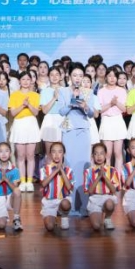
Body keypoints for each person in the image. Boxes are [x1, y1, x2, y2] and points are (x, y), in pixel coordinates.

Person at [56, 64, 97, 217]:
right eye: (75, 75)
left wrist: (85, 106)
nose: (78, 78)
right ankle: (70, 206)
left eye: (80, 75)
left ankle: (83, 206)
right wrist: (71, 104)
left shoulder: (88, 92)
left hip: (83, 131)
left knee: (84, 168)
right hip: (68, 131)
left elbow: (92, 114)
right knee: (70, 167)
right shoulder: (63, 91)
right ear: (69, 77)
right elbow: (61, 112)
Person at [7, 71, 41, 193]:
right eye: (23, 79)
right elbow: (13, 113)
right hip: (19, 124)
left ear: (31, 81)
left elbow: (36, 112)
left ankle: (29, 181)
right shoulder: (14, 95)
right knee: (20, 155)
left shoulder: (35, 95)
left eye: (28, 79)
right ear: (19, 81)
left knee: (30, 155)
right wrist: (23, 105)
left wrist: (29, 105)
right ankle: (22, 181)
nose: (26, 82)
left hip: (31, 124)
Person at [97, 68, 129, 176]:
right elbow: (99, 110)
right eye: (109, 76)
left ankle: (118, 178)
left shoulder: (122, 91)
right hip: (106, 121)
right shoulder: (101, 91)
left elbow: (124, 109)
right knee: (108, 154)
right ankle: (107, 178)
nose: (112, 78)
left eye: (114, 76)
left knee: (118, 153)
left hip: (118, 121)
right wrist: (110, 104)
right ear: (106, 77)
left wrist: (116, 103)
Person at [84, 142, 120, 232]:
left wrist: (104, 177)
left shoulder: (112, 170)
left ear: (105, 155)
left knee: (109, 204)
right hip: (95, 199)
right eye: (96, 153)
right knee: (96, 226)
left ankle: (107, 218)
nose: (99, 156)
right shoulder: (88, 171)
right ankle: (97, 214)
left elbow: (114, 190)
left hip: (108, 198)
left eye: (101, 153)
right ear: (92, 156)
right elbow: (89, 191)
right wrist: (99, 177)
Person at [0, 141, 23, 232]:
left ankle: (16, 219)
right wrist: (0, 180)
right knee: (1, 225)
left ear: (10, 153)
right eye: (1, 151)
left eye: (6, 151)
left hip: (10, 198)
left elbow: (15, 189)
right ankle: (1, 215)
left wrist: (6, 180)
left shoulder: (15, 170)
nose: (4, 154)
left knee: (17, 191)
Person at [39, 141, 74, 232]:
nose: (57, 155)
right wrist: (55, 171)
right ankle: (53, 217)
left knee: (65, 204)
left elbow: (70, 188)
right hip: (49, 202)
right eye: (54, 152)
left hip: (63, 200)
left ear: (64, 153)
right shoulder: (44, 169)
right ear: (50, 154)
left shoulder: (68, 170)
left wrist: (61, 171)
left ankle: (64, 215)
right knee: (49, 227)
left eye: (60, 151)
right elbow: (43, 184)